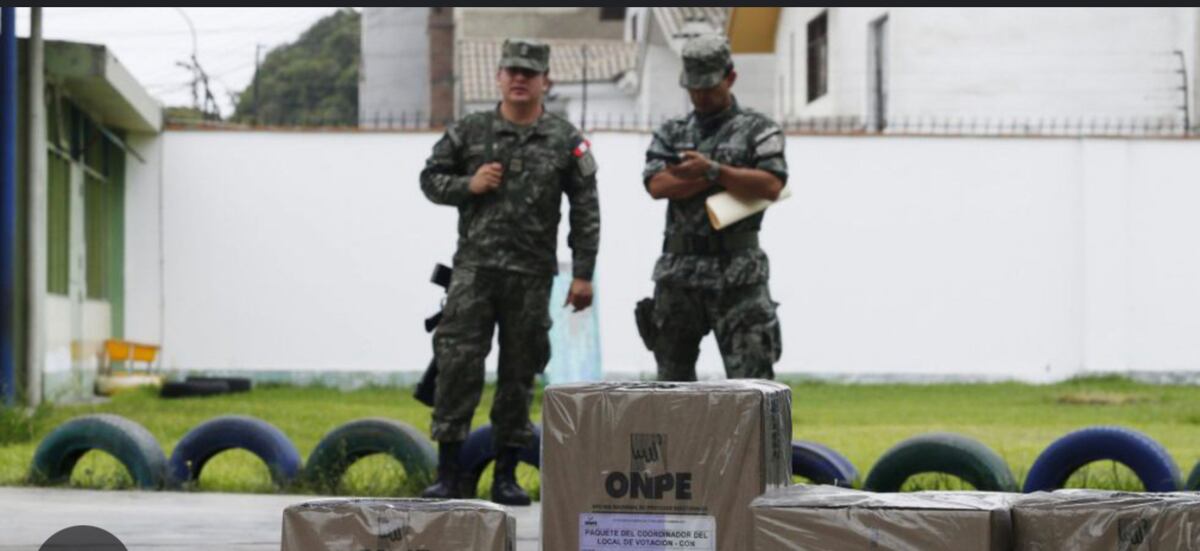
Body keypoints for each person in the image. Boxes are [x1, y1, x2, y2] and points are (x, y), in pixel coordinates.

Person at [418, 38, 599, 505]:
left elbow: (586, 209)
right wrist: (469, 184)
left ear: (545, 81)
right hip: (474, 273)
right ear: (498, 77)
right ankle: (448, 474)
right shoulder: (470, 131)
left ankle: (505, 475)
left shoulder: (565, 140)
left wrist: (583, 274)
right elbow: (430, 179)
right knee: (457, 366)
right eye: (512, 71)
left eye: (529, 73)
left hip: (531, 276)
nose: (520, 79)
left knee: (519, 374)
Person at [641, 35, 787, 382]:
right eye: (694, 89)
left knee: (752, 384)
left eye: (709, 87)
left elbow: (771, 185)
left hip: (739, 273)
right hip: (679, 273)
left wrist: (712, 170)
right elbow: (657, 185)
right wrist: (727, 177)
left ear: (730, 77)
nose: (702, 96)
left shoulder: (758, 130)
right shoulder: (672, 132)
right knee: (672, 385)